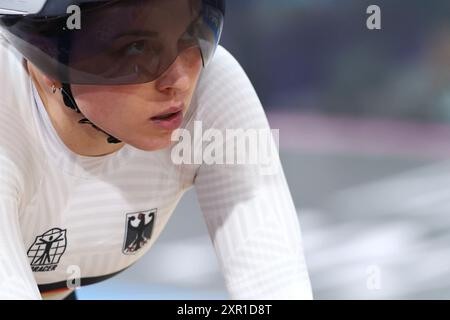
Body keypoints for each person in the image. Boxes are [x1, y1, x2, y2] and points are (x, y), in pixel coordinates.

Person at [0, 0, 313, 300]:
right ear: (46, 57)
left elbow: (274, 283)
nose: (178, 81)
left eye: (194, 33)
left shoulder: (212, 85)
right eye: (136, 48)